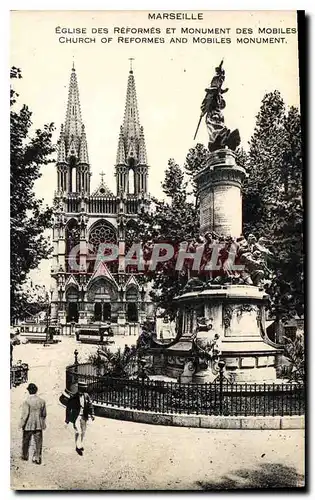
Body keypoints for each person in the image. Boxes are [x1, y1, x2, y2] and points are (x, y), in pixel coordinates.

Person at [20, 383, 47, 465]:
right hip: (38, 425)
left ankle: (25, 456)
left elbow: (25, 414)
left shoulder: (26, 401)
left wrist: (21, 424)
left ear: (29, 391)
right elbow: (44, 414)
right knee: (38, 442)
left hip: (28, 425)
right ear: (36, 390)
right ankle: (37, 458)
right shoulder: (42, 401)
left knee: (26, 441)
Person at [65, 382, 95, 456]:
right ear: (80, 388)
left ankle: (80, 444)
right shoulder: (74, 397)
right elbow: (68, 408)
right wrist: (67, 419)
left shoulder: (86, 395)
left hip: (84, 416)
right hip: (76, 416)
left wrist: (92, 414)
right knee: (78, 431)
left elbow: (90, 405)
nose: (85, 389)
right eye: (83, 388)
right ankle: (77, 445)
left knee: (83, 432)